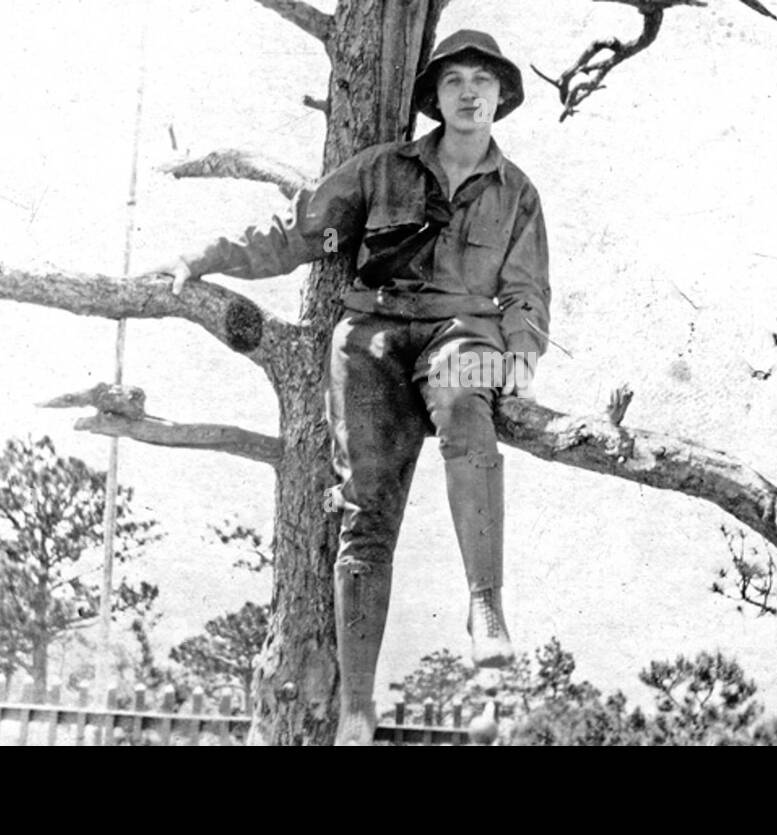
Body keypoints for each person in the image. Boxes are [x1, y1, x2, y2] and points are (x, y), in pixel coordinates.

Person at [158, 29, 550, 744]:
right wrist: (209, 254)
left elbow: (526, 295)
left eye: (483, 82)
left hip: (461, 335)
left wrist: (519, 359)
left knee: (468, 410)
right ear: (433, 98)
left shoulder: (517, 194)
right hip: (370, 337)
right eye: (455, 81)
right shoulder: (381, 170)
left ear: (501, 96)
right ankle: (358, 703)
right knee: (364, 509)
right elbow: (298, 230)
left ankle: (484, 602)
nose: (469, 93)